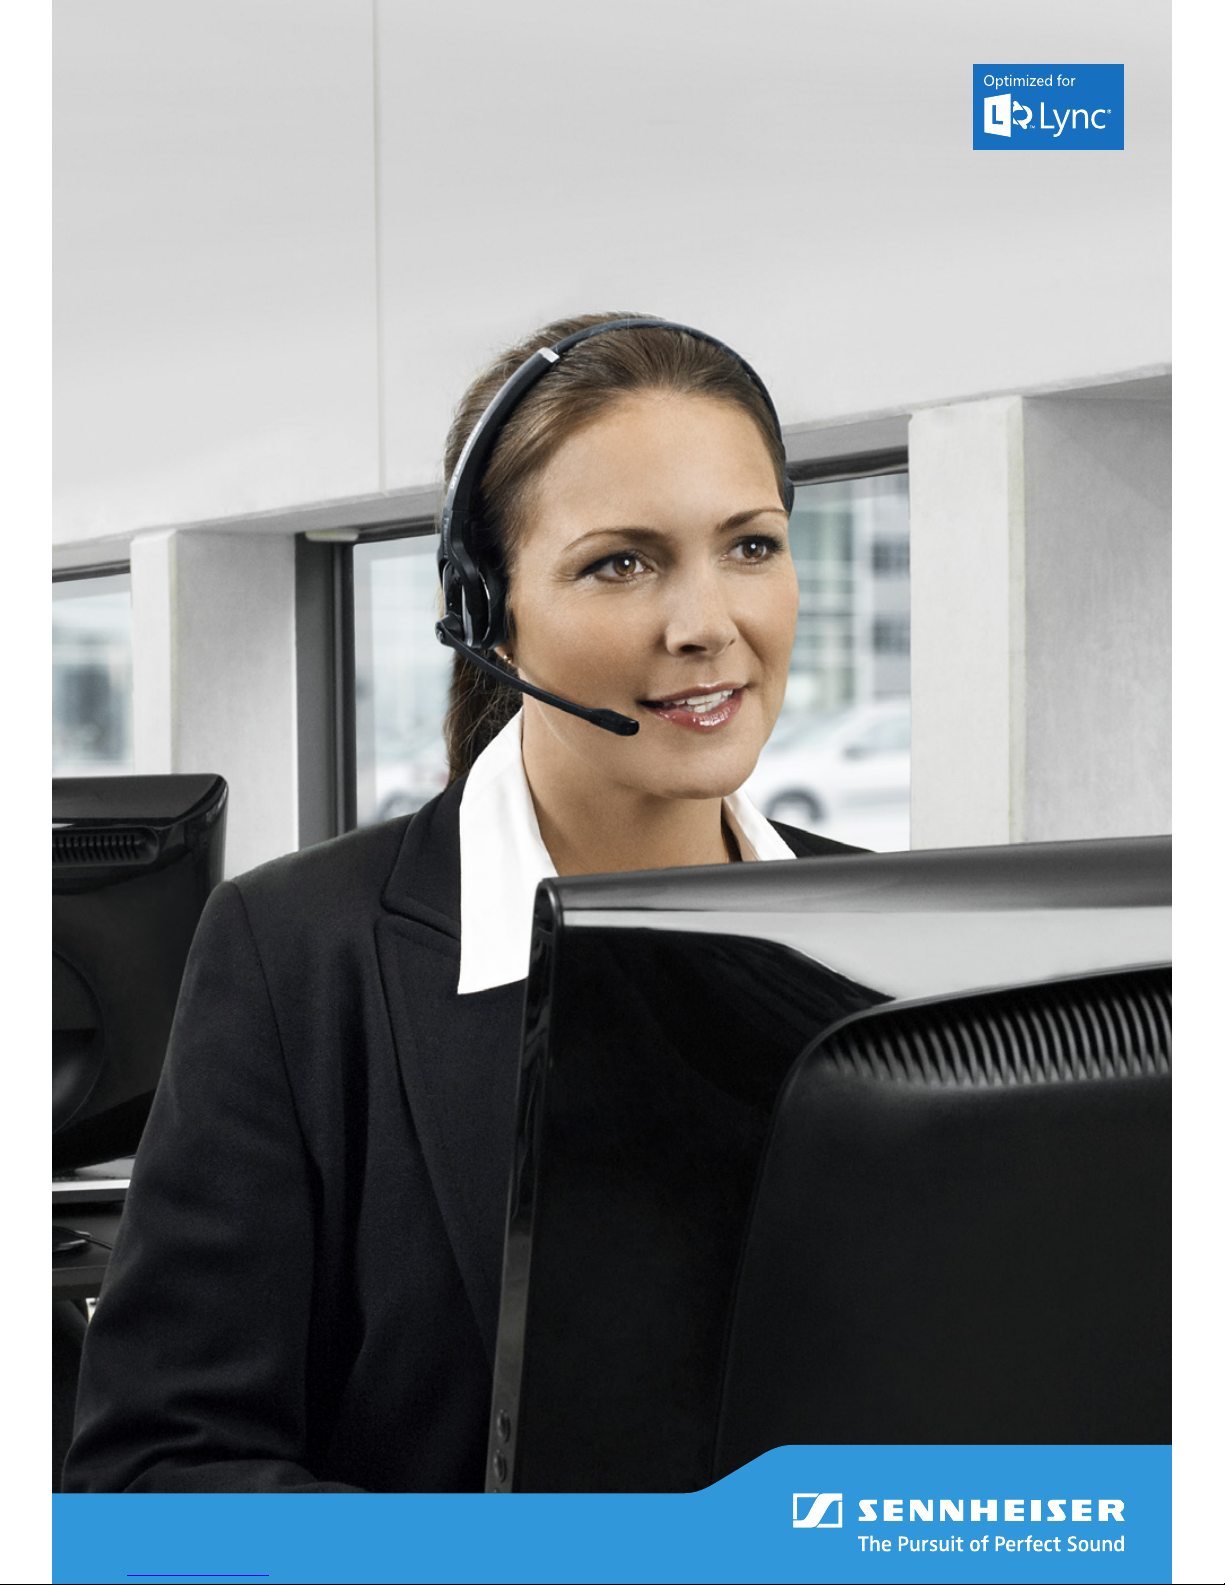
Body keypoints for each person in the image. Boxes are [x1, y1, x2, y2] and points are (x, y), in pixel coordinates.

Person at [63, 314, 863, 1493]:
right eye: (620, 563)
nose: (706, 624)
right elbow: (154, 1474)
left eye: (750, 545)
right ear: (490, 612)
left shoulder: (887, 943)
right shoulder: (299, 955)